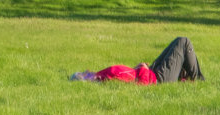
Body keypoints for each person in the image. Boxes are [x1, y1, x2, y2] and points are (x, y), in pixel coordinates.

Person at [70, 36, 205, 84]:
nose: (87, 72)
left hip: (153, 72)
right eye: (84, 75)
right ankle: (197, 79)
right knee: (183, 42)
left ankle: (188, 76)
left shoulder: (104, 74)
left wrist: (139, 68)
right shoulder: (110, 77)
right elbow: (138, 83)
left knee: (178, 42)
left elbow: (130, 76)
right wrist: (143, 71)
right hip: (158, 79)